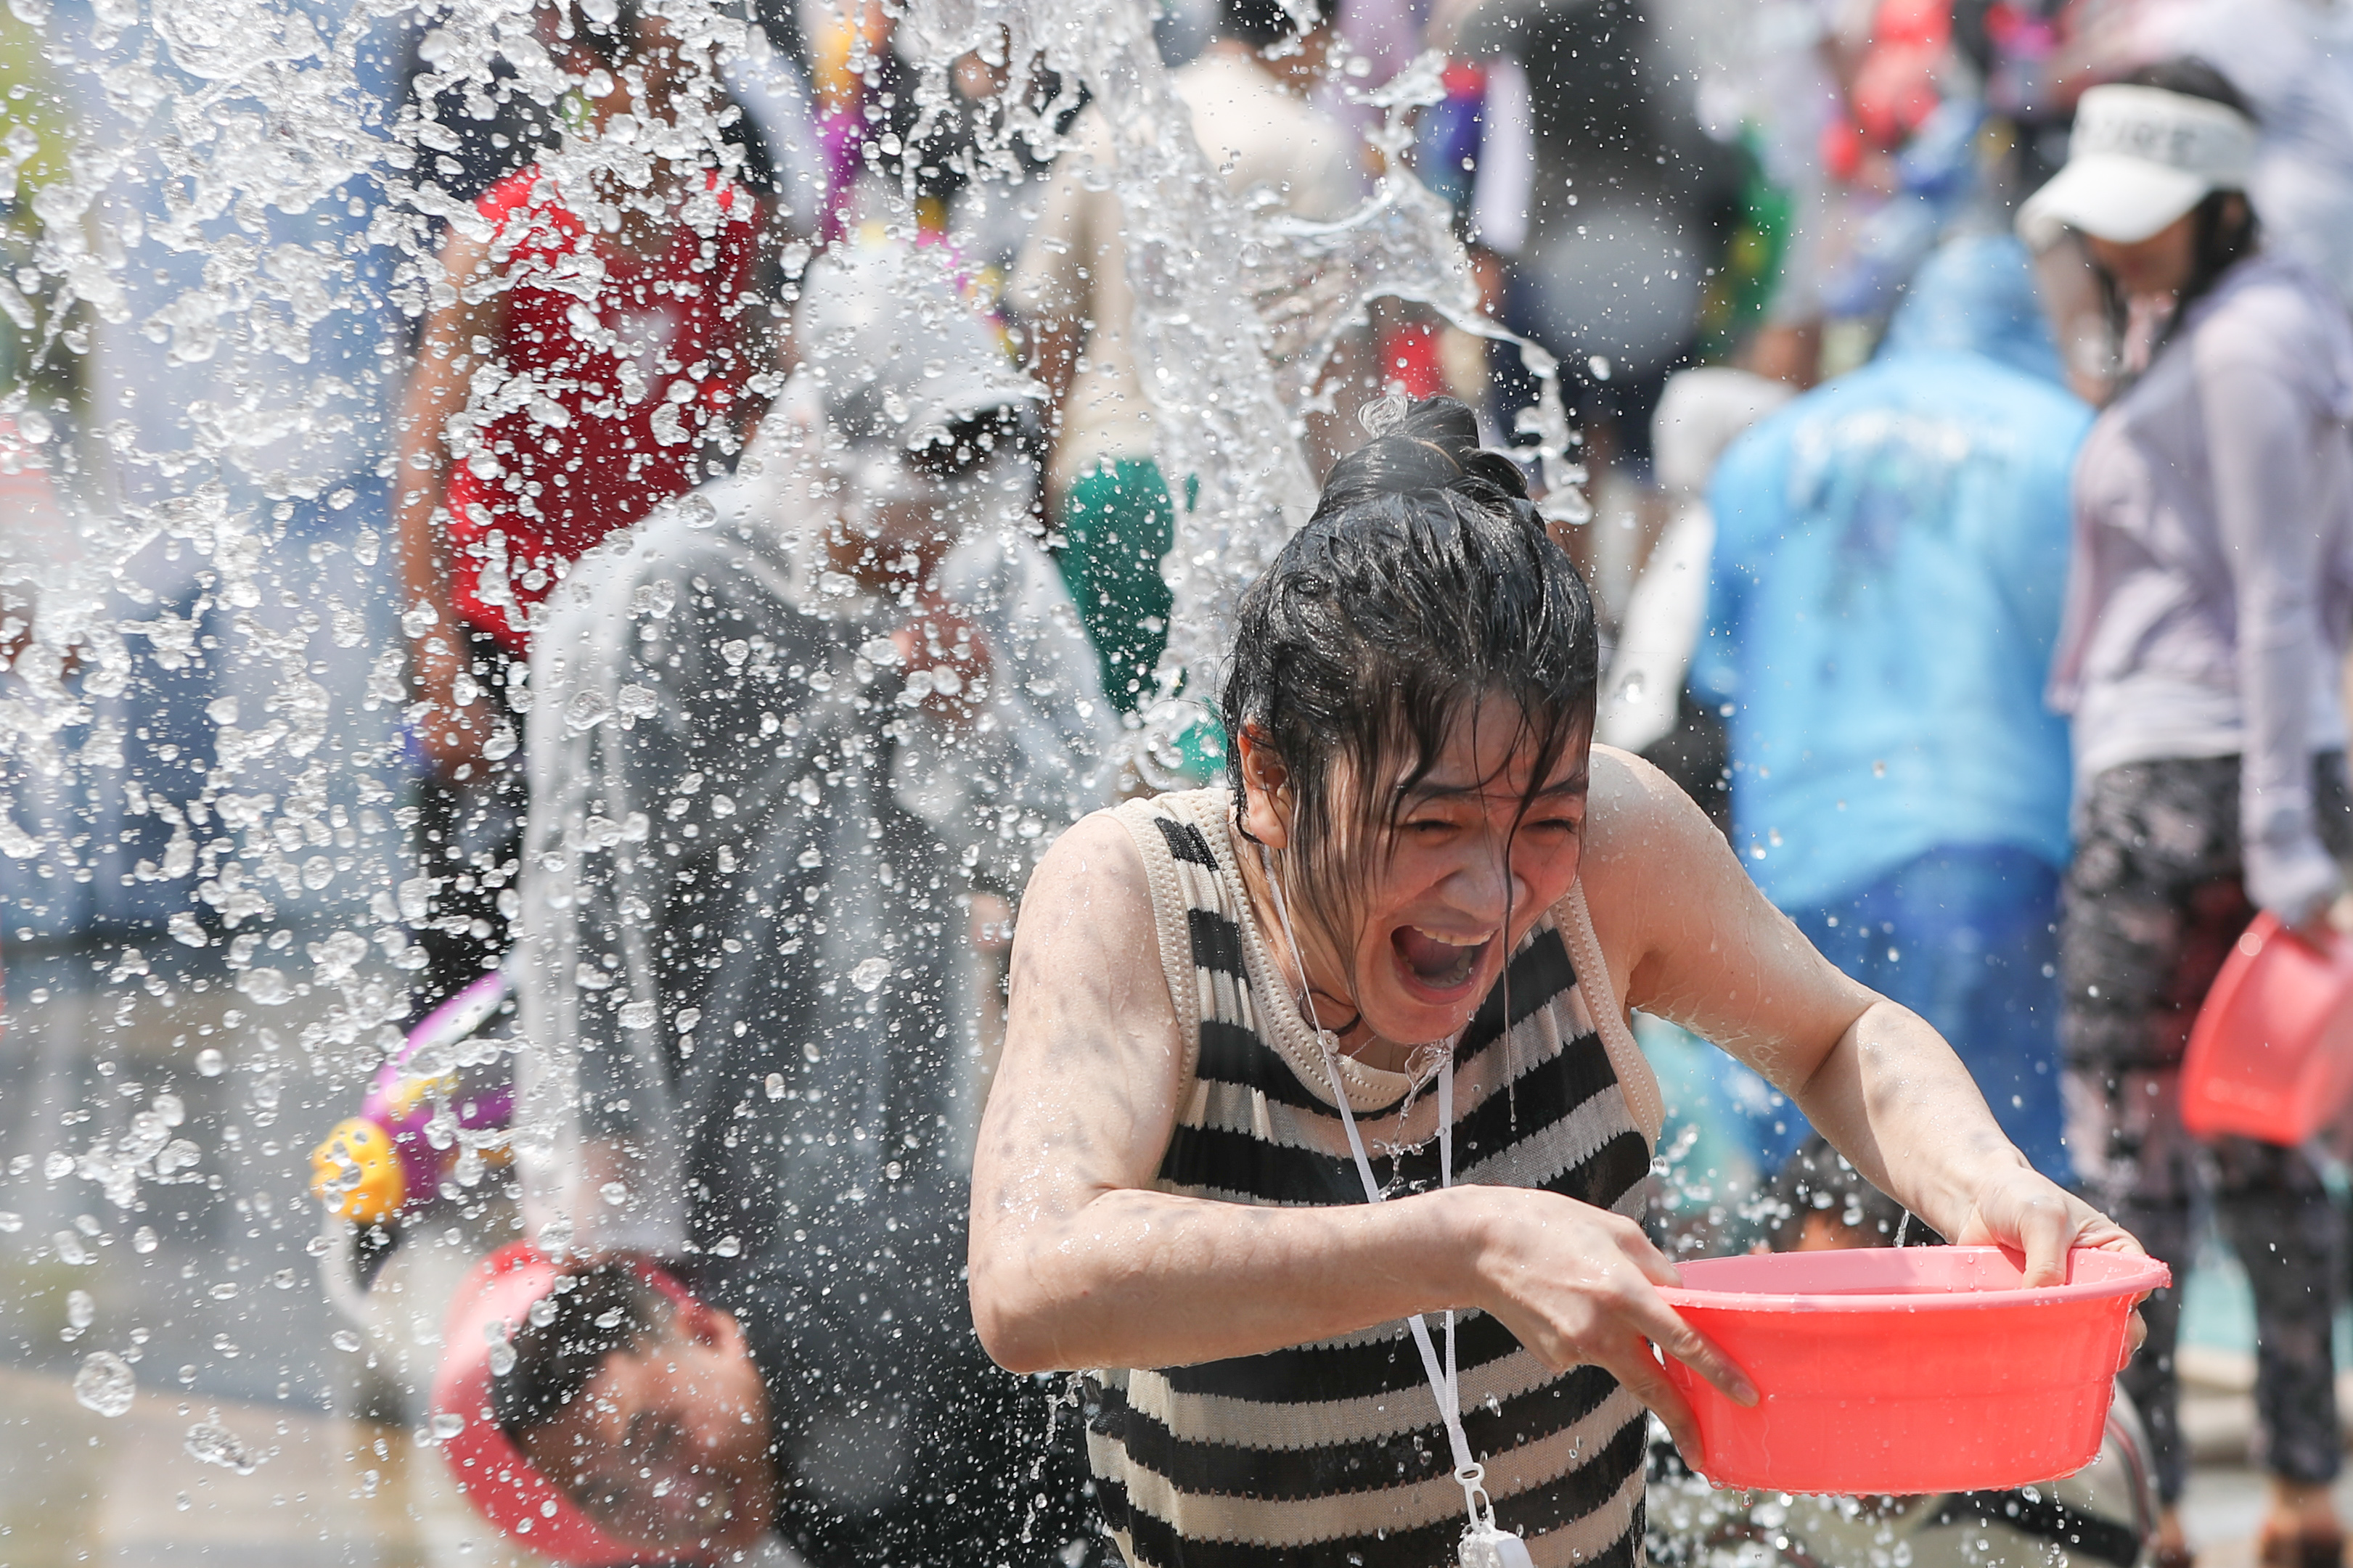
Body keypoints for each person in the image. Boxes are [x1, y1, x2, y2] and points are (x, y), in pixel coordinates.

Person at [967, 396, 2143, 1568]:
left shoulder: (1614, 850)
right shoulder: (1138, 896)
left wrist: (1984, 1179)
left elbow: (1838, 1034)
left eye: (1542, 820)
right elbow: (1031, 1277)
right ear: (1269, 773)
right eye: (1429, 824)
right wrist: (1460, 1243)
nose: (1488, 897)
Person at [512, 239, 1117, 1564]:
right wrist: (612, 1238)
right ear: (811, 446)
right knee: (792, 1511)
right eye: (899, 525)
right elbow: (587, 938)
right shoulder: (661, 601)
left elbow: (1094, 850)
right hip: (726, 1216)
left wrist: (974, 732)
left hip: (937, 1180)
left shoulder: (989, 578)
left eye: (948, 529)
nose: (922, 560)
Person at [2016, 59, 2353, 1568]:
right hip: (2240, 783)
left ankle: (2141, 1511)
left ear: (2222, 202)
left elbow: (2289, 608)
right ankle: (2296, 1486)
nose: (2116, 244)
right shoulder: (2249, 331)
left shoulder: (2242, 347)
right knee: (2257, 1150)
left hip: (2181, 787)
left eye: (2144, 219)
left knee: (2128, 1157)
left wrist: (2294, 848)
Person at [393, 0, 772, 1007]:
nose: (697, 88)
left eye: (703, 68)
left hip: (635, 645)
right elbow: (424, 457)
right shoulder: (505, 237)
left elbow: (756, 430)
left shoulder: (724, 229)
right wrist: (438, 669)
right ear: (592, 72)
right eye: (673, 65)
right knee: (473, 932)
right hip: (500, 635)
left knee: (637, 939)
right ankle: (444, 1142)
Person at [1693, 234, 2095, 1180]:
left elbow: (1716, 672)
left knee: (1807, 1195)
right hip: (1990, 854)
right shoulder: (2068, 446)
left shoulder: (1766, 450)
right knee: (1998, 1185)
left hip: (1793, 851)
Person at [1007, 0, 1364, 771]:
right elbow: (1329, 365)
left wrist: (1036, 478)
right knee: (1238, 757)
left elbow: (1044, 318)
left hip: (1105, 471)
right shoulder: (1309, 146)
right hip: (1238, 493)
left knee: (1105, 750)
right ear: (1312, 32)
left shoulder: (1113, 123)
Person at [1648, 1136, 2158, 1568]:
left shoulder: (2068, 1467)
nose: (1847, 1385)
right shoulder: (1680, 1451)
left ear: (1960, 1319)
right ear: (1750, 1303)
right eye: (1804, 1336)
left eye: (1882, 1344)